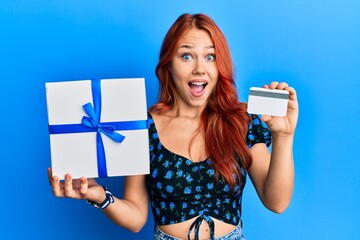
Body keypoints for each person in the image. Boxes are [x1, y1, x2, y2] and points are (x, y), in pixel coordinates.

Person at [48, 13, 298, 240]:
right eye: (186, 55)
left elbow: (276, 202)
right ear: (169, 64)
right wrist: (99, 196)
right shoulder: (143, 128)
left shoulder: (241, 121)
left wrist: (284, 136)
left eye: (210, 56)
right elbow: (136, 218)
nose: (199, 67)